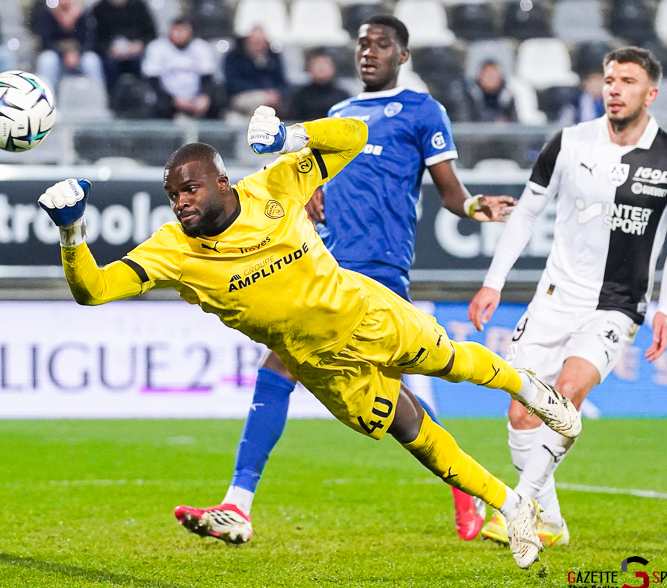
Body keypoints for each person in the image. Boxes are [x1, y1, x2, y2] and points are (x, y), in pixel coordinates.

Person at [38, 106, 584, 570]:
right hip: (322, 367)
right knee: (412, 431)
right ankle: (510, 505)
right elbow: (95, 289)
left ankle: (537, 394)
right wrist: (72, 232)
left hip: (365, 314)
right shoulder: (172, 251)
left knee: (451, 361)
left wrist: (289, 137)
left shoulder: (275, 184)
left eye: (189, 188)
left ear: (222, 181)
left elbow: (356, 135)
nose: (179, 200)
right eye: (171, 193)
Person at [173, 15, 522, 546]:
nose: (369, 52)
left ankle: (241, 503)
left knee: (382, 392)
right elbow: (311, 178)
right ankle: (238, 505)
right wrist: (309, 195)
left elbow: (449, 190)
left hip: (382, 266)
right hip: (328, 267)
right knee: (299, 369)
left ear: (402, 56)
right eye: (362, 44)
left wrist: (476, 206)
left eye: (381, 44)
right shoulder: (337, 114)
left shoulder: (423, 111)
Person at [468, 47, 667, 548]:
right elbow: (527, 212)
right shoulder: (569, 143)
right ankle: (550, 520)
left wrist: (665, 308)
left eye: (628, 81)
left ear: (650, 93)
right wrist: (494, 281)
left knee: (566, 395)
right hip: (553, 298)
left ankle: (519, 508)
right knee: (521, 414)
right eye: (610, 79)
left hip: (616, 305)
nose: (614, 89)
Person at [141, 18, 223, 119]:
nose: (180, 34)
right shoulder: (157, 47)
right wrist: (173, 99)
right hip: (167, 98)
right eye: (177, 30)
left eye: (183, 30)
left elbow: (207, 77)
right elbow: (152, 80)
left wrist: (204, 97)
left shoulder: (201, 47)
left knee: (218, 98)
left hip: (195, 98)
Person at [31, 0, 105, 91]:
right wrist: (64, 54)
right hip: (57, 55)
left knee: (91, 60)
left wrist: (77, 53)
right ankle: (44, 98)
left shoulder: (83, 13)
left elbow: (89, 41)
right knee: (47, 60)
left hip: (79, 56)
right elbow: (45, 41)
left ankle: (98, 97)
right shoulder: (47, 12)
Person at [90, 0, 156, 93]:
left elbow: (151, 33)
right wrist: (109, 49)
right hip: (110, 54)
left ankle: (140, 97)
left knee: (141, 63)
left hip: (136, 52)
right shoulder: (99, 8)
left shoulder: (138, 5)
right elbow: (95, 38)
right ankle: (111, 99)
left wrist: (140, 44)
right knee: (108, 64)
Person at [223, 26, 289, 117]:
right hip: (242, 95)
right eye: (254, 41)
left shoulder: (274, 58)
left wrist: (275, 93)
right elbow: (232, 83)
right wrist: (263, 93)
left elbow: (282, 81)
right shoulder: (234, 57)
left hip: (270, 97)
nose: (257, 45)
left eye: (260, 42)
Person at [288, 51, 349, 121]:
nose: (321, 68)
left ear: (333, 68)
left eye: (325, 65)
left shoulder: (342, 96)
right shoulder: (300, 96)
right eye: (317, 65)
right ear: (309, 69)